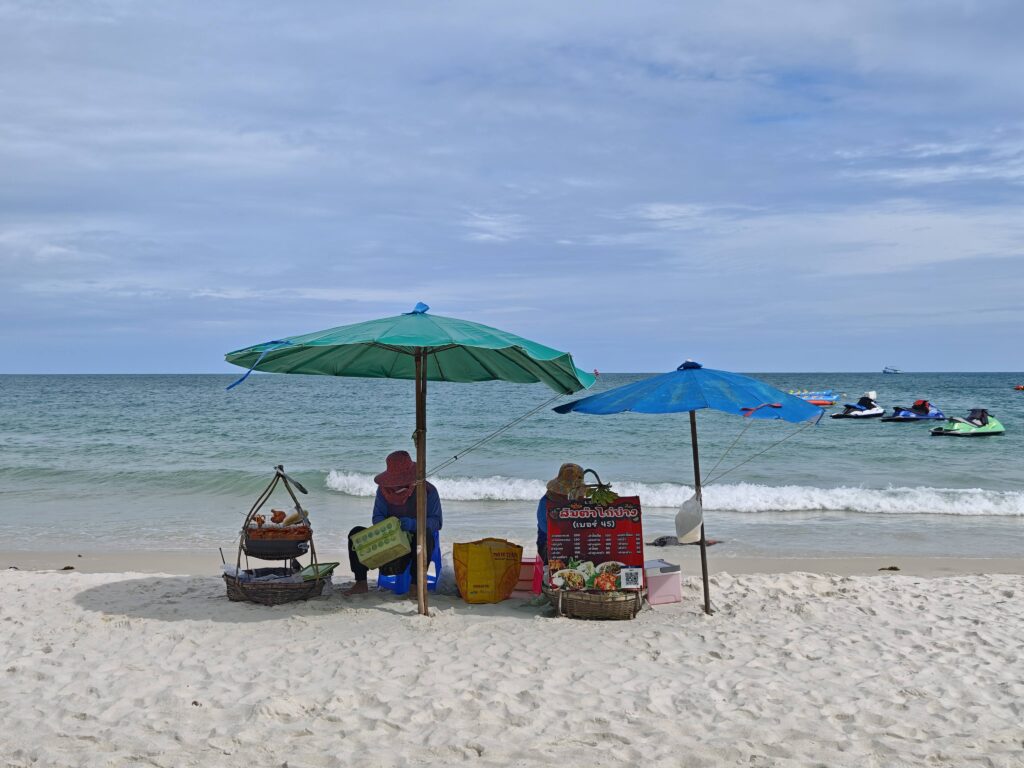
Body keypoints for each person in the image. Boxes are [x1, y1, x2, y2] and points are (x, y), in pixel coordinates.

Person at [344, 450, 443, 595]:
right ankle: (361, 582)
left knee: (425, 534)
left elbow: (437, 522)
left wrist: (412, 524)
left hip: (414, 544)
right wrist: (389, 526)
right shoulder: (384, 490)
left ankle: (415, 586)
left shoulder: (428, 491)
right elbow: (377, 516)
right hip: (388, 540)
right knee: (355, 533)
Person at [535, 463, 587, 564]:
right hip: (549, 544)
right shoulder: (546, 501)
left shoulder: (578, 502)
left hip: (573, 542)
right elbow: (545, 527)